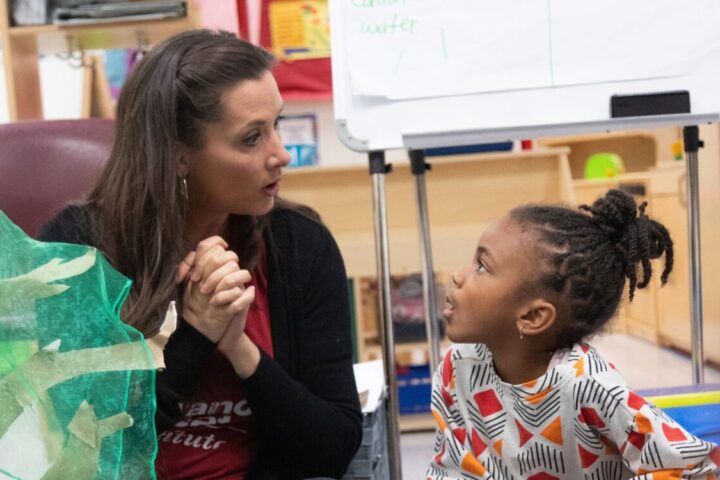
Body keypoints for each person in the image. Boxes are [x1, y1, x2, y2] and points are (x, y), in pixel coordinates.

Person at [39, 29, 362, 479]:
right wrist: (193, 336)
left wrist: (238, 346)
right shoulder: (75, 248)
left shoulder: (299, 245)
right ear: (178, 156)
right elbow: (85, 448)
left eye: (278, 126)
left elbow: (332, 449)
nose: (282, 154)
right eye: (252, 138)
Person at [426, 189, 719, 479]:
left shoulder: (588, 385)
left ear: (532, 316)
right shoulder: (456, 369)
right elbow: (451, 469)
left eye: (482, 266)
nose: (457, 276)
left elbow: (694, 468)